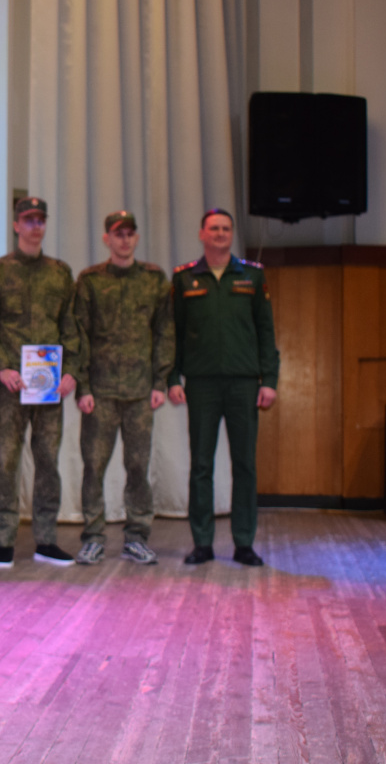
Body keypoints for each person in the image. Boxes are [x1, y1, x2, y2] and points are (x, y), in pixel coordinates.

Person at [167, 208, 279, 567]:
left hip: (244, 384)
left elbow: (265, 332)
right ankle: (202, 543)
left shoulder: (252, 276)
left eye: (226, 229)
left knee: (244, 464)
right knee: (201, 465)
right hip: (201, 384)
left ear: (232, 234)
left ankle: (244, 542)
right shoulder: (184, 278)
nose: (220, 234)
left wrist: (270, 380)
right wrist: (173, 378)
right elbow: (175, 334)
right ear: (202, 234)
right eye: (213, 228)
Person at [0, 196, 81, 568]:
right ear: (16, 225)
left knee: (48, 462)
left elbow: (70, 326)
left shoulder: (60, 272)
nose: (35, 226)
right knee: (5, 461)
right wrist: (2, 368)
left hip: (50, 386)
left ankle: (46, 539)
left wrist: (71, 370)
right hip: (12, 385)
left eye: (40, 220)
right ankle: (3, 539)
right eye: (28, 220)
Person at [73, 211, 175, 565]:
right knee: (93, 467)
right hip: (100, 393)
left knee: (138, 467)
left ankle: (137, 537)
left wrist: (160, 381)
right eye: (118, 234)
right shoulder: (90, 281)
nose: (125, 239)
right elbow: (80, 335)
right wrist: (83, 386)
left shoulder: (154, 279)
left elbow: (164, 332)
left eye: (130, 233)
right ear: (107, 239)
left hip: (139, 393)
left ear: (136, 237)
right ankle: (93, 538)